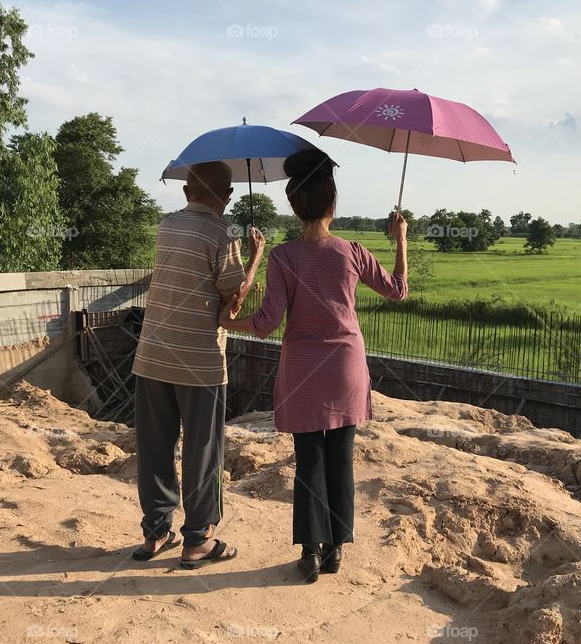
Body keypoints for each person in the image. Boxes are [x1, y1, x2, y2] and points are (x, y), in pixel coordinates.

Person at [219, 148, 408, 583]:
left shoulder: (283, 257)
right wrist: (400, 238)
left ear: (294, 206)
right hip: (345, 367)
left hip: (302, 370)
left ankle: (310, 551)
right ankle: (336, 548)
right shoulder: (352, 252)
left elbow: (266, 323)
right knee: (341, 456)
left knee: (309, 459)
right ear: (332, 205)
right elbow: (398, 289)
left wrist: (227, 321)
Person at [131, 160, 265, 569]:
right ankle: (199, 540)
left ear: (187, 192)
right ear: (227, 196)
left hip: (152, 355)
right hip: (199, 362)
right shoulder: (224, 233)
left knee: (154, 447)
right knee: (202, 451)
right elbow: (232, 300)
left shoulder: (167, 225)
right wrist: (255, 258)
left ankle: (155, 533)